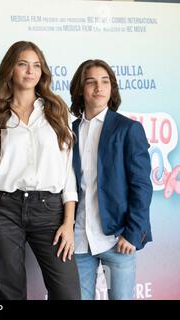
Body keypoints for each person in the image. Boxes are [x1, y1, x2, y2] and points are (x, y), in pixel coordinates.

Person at [0, 41, 80, 300]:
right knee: (11, 291)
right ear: (10, 70)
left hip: (50, 211)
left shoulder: (58, 111)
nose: (30, 71)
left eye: (36, 65)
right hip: (3, 209)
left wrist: (68, 223)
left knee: (68, 292)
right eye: (23, 64)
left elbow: (68, 171)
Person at [69, 59, 152, 300]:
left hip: (117, 240)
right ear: (80, 89)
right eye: (91, 82)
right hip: (80, 240)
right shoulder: (69, 130)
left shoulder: (128, 129)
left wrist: (133, 233)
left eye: (105, 81)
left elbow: (141, 186)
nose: (99, 87)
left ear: (112, 88)